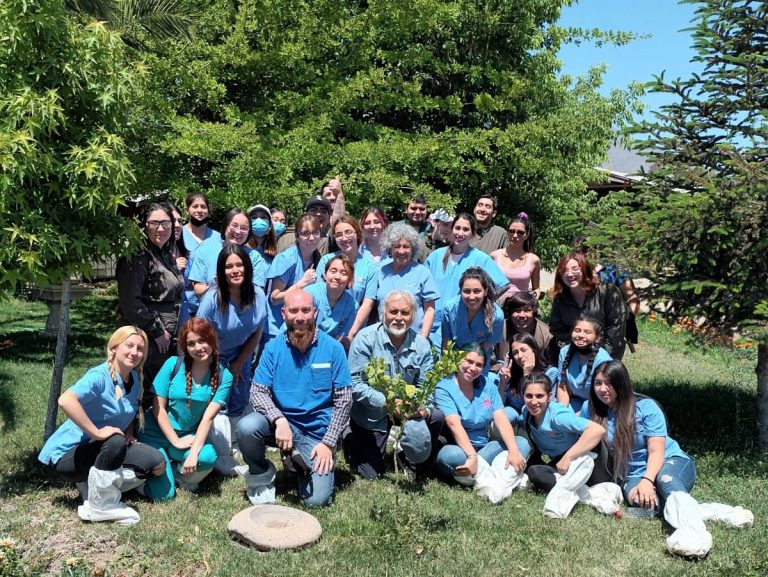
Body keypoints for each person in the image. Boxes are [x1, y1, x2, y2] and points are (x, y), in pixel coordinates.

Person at [587, 361, 753, 557]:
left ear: (621, 383)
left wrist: (648, 480)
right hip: (632, 474)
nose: (603, 389)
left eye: (609, 383)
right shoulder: (594, 412)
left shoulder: (645, 407)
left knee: (667, 482)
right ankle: (716, 512)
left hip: (668, 461)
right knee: (643, 505)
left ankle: (694, 538)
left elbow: (657, 450)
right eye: (598, 383)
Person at [236, 290, 352, 507]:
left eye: (306, 310)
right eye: (294, 310)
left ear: (315, 313)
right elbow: (257, 391)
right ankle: (261, 476)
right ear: (283, 313)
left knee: (316, 501)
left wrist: (328, 443)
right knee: (246, 427)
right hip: (281, 426)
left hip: (316, 433)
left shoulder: (334, 349)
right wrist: (279, 420)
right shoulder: (272, 349)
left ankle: (300, 461)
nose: (300, 317)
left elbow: (344, 400)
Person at [38, 327, 165, 524]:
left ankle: (97, 487)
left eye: (140, 348)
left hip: (106, 446)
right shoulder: (99, 375)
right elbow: (65, 400)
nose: (134, 352)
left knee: (156, 463)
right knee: (114, 441)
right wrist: (96, 432)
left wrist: (129, 432)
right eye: (129, 345)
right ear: (114, 347)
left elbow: (130, 409)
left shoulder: (135, 379)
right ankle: (100, 505)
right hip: (70, 455)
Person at [344, 290, 443, 479]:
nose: (399, 318)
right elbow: (355, 384)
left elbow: (427, 387)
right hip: (372, 413)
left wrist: (423, 409)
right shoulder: (365, 339)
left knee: (436, 416)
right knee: (371, 474)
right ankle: (349, 437)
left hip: (406, 409)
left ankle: (415, 461)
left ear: (413, 316)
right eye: (393, 312)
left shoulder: (422, 345)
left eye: (405, 313)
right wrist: (385, 402)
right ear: (383, 313)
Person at [138, 318, 233, 499]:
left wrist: (193, 452)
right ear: (184, 347)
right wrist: (175, 441)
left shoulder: (223, 376)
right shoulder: (172, 364)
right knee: (163, 496)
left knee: (206, 457)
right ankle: (138, 476)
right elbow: (158, 408)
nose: (198, 348)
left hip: (186, 437)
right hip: (154, 435)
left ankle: (173, 469)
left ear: (212, 340)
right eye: (191, 344)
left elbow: (207, 418)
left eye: (202, 340)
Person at [197, 245, 267, 473]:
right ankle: (220, 452)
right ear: (221, 270)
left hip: (242, 354)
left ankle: (236, 443)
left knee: (239, 399)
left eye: (239, 265)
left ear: (247, 268)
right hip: (211, 356)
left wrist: (239, 363)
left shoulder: (257, 295)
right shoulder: (212, 299)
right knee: (218, 403)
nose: (235, 270)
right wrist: (217, 368)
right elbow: (200, 336)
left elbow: (257, 331)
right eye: (229, 266)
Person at [433, 346, 531, 486]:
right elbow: (453, 424)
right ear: (458, 360)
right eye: (469, 361)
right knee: (451, 456)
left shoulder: (488, 386)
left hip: (484, 449)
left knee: (521, 443)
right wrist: (472, 456)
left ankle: (474, 475)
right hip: (459, 448)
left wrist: (514, 450)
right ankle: (495, 473)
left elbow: (501, 418)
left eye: (479, 365)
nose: (473, 368)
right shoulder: (444, 387)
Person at [116, 203, 184, 386]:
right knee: (145, 391)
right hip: (147, 338)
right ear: (144, 226)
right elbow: (130, 302)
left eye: (166, 223)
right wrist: (156, 331)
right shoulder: (138, 257)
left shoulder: (165, 255)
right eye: (154, 223)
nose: (160, 229)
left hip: (167, 337)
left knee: (161, 392)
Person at [513, 373, 606, 496]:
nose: (534, 402)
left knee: (535, 474)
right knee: (533, 472)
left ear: (549, 396)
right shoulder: (526, 412)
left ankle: (574, 489)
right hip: (558, 461)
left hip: (583, 457)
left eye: (540, 396)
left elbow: (597, 430)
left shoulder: (558, 416)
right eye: (529, 396)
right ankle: (569, 486)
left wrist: (568, 457)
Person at [424, 213, 509, 348]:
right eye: (457, 228)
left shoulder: (481, 258)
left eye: (466, 229)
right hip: (432, 324)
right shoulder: (435, 257)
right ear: (451, 230)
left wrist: (482, 303)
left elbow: (503, 285)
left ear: (473, 234)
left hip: (459, 325)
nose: (460, 233)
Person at [187, 209, 268, 316]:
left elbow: (257, 292)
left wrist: (225, 285)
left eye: (244, 228)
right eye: (234, 225)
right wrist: (220, 285)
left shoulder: (254, 257)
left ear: (249, 232)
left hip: (243, 318)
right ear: (225, 226)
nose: (238, 231)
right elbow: (198, 290)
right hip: (210, 316)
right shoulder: (205, 250)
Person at [549, 251, 627, 359]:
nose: (570, 274)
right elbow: (557, 329)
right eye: (564, 270)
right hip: (573, 355)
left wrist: (599, 358)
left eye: (575, 269)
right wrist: (575, 353)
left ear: (585, 269)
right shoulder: (560, 298)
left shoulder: (608, 292)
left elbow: (616, 329)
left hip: (606, 354)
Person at [315, 216, 377, 339]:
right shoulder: (326, 260)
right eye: (338, 235)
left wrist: (351, 333)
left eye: (348, 232)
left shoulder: (369, 265)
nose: (344, 238)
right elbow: (319, 295)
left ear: (357, 233)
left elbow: (368, 303)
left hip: (353, 331)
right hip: (321, 331)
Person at [375, 222, 440, 339]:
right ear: (390, 248)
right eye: (396, 246)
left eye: (406, 247)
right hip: (383, 336)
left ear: (413, 249)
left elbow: (430, 309)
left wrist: (423, 337)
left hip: (414, 338)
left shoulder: (422, 272)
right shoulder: (380, 270)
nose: (401, 251)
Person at [266, 214, 323, 341]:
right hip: (276, 329)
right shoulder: (286, 259)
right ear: (297, 236)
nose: (311, 238)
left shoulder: (319, 259)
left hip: (302, 327)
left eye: (315, 232)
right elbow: (274, 298)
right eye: (305, 233)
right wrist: (301, 284)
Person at [441, 267, 503, 363]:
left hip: (480, 357)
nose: (471, 297)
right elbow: (446, 343)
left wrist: (468, 363)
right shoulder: (449, 309)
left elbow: (486, 346)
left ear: (485, 291)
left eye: (477, 291)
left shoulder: (497, 316)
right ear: (460, 291)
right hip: (454, 355)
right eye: (466, 291)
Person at [556, 316, 612, 414]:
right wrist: (562, 412)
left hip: (598, 405)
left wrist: (578, 417)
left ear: (597, 337)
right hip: (574, 401)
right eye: (577, 330)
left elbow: (606, 395)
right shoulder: (564, 352)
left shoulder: (603, 360)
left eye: (587, 332)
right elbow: (562, 385)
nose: (581, 335)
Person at [498, 332, 558, 419]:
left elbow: (542, 404)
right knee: (507, 414)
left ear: (533, 350)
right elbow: (499, 404)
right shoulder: (509, 372)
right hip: (512, 413)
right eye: (515, 352)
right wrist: (503, 383)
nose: (520, 356)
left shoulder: (550, 372)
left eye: (524, 350)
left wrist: (527, 374)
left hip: (535, 415)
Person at [305, 254, 359, 346]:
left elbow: (340, 338)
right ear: (325, 275)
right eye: (333, 271)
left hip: (329, 347)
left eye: (344, 273)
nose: (337, 277)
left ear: (349, 279)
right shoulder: (309, 294)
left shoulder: (352, 305)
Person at [491, 212, 541, 301]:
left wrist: (532, 303)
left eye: (520, 233)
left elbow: (536, 289)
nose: (514, 236)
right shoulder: (494, 256)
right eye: (511, 231)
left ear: (527, 235)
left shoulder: (533, 260)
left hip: (520, 310)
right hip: (497, 308)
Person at [499, 291, 554, 365]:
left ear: (534, 312)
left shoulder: (546, 334)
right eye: (517, 311)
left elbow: (551, 363)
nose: (522, 315)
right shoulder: (499, 328)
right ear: (510, 313)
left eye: (527, 310)